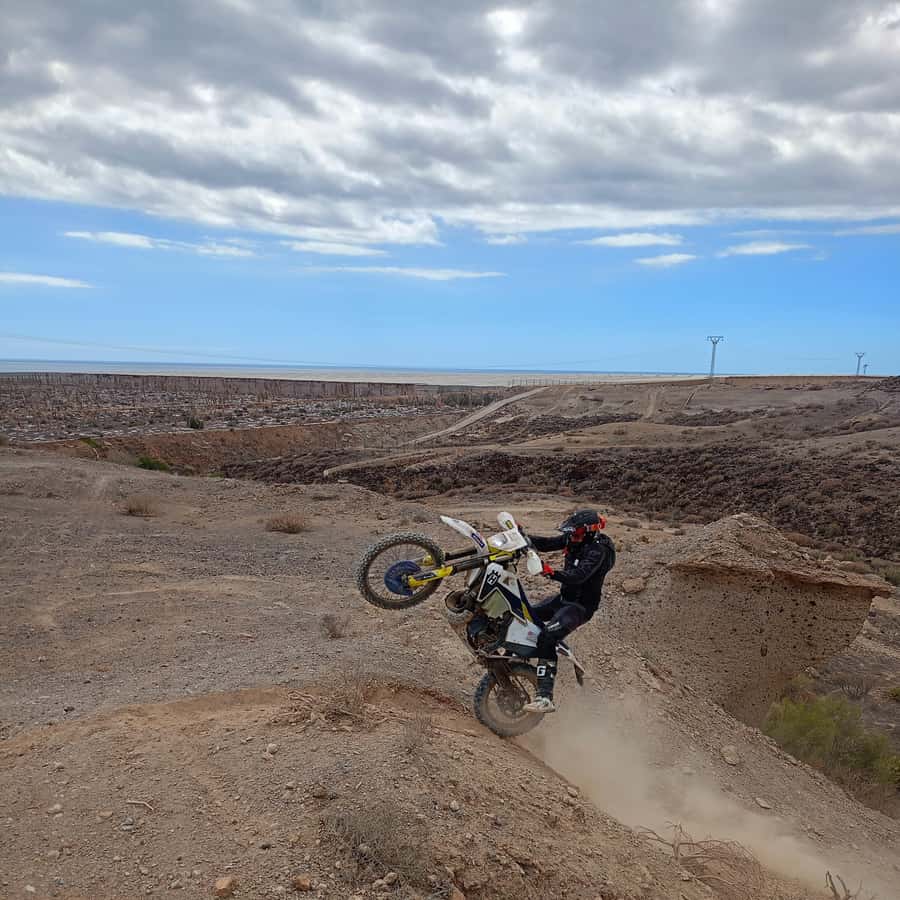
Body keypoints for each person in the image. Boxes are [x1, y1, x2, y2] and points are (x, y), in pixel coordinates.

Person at [521, 509, 616, 713]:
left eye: (577, 533)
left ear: (590, 531)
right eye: (572, 533)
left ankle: (545, 698)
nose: (572, 537)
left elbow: (579, 576)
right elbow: (547, 543)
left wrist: (551, 572)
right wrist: (522, 538)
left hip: (580, 607)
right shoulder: (573, 539)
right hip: (563, 599)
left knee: (548, 635)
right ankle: (516, 659)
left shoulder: (599, 550)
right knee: (524, 613)